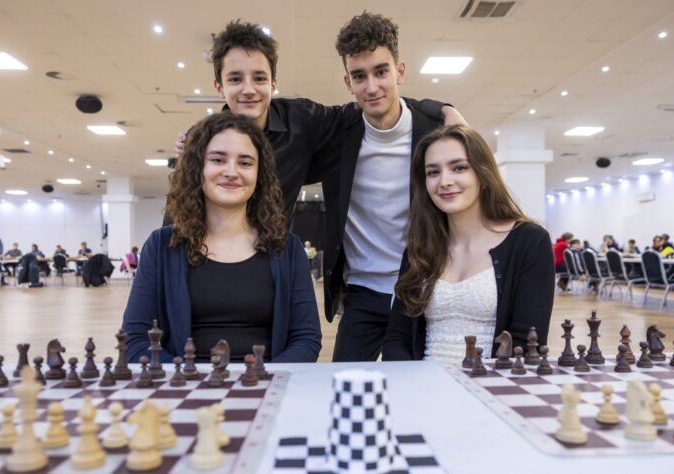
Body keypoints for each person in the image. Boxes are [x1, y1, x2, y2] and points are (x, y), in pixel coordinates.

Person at [168, 20, 459, 225]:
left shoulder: (302, 121)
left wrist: (441, 109)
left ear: (273, 83)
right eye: (235, 79)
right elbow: (179, 213)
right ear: (219, 87)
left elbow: (369, 103)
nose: (248, 89)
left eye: (259, 78)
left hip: (275, 267)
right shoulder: (201, 141)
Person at [123, 112, 321, 364]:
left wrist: (260, 381)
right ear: (198, 168)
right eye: (218, 160)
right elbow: (136, 340)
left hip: (266, 386)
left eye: (246, 163)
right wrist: (192, 383)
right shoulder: (162, 245)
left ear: (260, 174)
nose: (232, 172)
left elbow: (306, 339)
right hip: (187, 388)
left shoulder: (287, 247)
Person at [320, 12, 460, 362]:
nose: (371, 86)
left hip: (421, 286)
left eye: (381, 71)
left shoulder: (433, 130)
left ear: (400, 72)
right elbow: (280, 120)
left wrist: (444, 109)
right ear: (347, 82)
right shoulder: (338, 134)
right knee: (346, 392)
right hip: (362, 292)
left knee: (416, 394)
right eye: (359, 76)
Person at [383, 125, 554, 362]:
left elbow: (526, 343)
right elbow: (397, 339)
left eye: (459, 168)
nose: (444, 181)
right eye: (433, 172)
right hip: (422, 386)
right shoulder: (419, 248)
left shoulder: (529, 241)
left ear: (483, 175)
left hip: (493, 388)